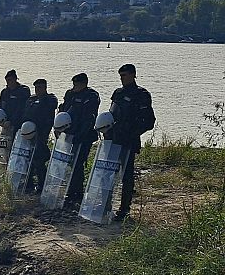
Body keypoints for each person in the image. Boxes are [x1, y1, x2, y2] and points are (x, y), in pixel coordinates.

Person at [105, 64, 156, 221]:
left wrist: (132, 133)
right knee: (108, 173)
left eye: (125, 75)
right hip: (113, 140)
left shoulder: (141, 94)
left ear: (134, 75)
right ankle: (105, 205)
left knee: (126, 176)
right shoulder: (118, 93)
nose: (122, 78)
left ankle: (124, 209)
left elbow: (149, 121)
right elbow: (111, 114)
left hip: (128, 141)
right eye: (120, 76)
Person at [59, 73, 100, 209]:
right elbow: (64, 110)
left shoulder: (91, 96)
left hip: (84, 136)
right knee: (70, 162)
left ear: (84, 83)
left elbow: (89, 118)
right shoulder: (70, 94)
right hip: (69, 134)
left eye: (77, 84)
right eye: (73, 84)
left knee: (78, 163)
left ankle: (77, 193)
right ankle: (72, 191)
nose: (74, 86)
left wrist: (81, 135)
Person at [21, 78, 58, 193]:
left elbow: (47, 110)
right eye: (36, 88)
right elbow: (26, 113)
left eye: (40, 87)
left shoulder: (50, 99)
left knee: (39, 161)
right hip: (29, 133)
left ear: (45, 88)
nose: (38, 90)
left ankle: (42, 185)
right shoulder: (31, 100)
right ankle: (29, 184)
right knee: (28, 159)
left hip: (41, 133)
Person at [0, 70, 30, 136]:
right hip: (5, 123)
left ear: (15, 79)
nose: (8, 83)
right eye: (7, 81)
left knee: (14, 141)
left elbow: (22, 108)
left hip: (18, 123)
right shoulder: (5, 92)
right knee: (4, 140)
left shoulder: (23, 90)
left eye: (10, 80)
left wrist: (11, 122)